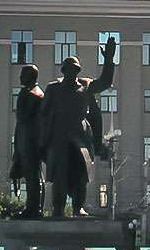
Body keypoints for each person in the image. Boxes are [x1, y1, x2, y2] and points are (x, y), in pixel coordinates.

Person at [40, 36, 116, 217]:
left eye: (75, 70)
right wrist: (43, 141)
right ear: (63, 70)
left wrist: (109, 59)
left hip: (81, 138)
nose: (72, 73)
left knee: (81, 173)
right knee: (59, 175)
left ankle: (77, 207)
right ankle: (58, 209)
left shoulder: (86, 85)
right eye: (69, 70)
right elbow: (43, 114)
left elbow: (105, 82)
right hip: (59, 137)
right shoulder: (53, 88)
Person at [10, 64, 46, 218]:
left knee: (32, 175)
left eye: (23, 75)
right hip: (29, 138)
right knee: (34, 174)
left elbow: (22, 118)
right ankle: (34, 207)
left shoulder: (30, 93)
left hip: (29, 139)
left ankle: (34, 209)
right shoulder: (35, 92)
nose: (20, 78)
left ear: (30, 76)